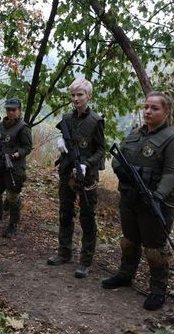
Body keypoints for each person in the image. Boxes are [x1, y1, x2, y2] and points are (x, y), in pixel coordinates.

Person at [102, 91, 174, 311]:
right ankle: (125, 274)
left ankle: (158, 290)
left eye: (155, 108)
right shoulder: (135, 134)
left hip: (154, 201)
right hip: (130, 197)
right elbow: (118, 160)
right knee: (129, 240)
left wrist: (157, 197)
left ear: (167, 112)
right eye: (146, 107)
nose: (148, 111)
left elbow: (170, 174)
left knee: (155, 249)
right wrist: (124, 172)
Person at [46, 78, 105, 279]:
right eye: (73, 95)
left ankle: (85, 261)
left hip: (86, 175)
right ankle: (64, 252)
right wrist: (61, 146)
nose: (76, 98)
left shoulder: (96, 121)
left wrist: (87, 163)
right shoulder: (67, 118)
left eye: (80, 94)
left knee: (87, 217)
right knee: (65, 212)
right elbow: (65, 143)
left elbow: (101, 150)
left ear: (89, 96)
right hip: (66, 171)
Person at [0, 98, 32, 238]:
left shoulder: (23, 127)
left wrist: (16, 154)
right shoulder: (1, 125)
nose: (11, 112)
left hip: (14, 167)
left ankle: (12, 225)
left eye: (14, 110)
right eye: (8, 110)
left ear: (19, 110)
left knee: (12, 197)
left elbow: (27, 147)